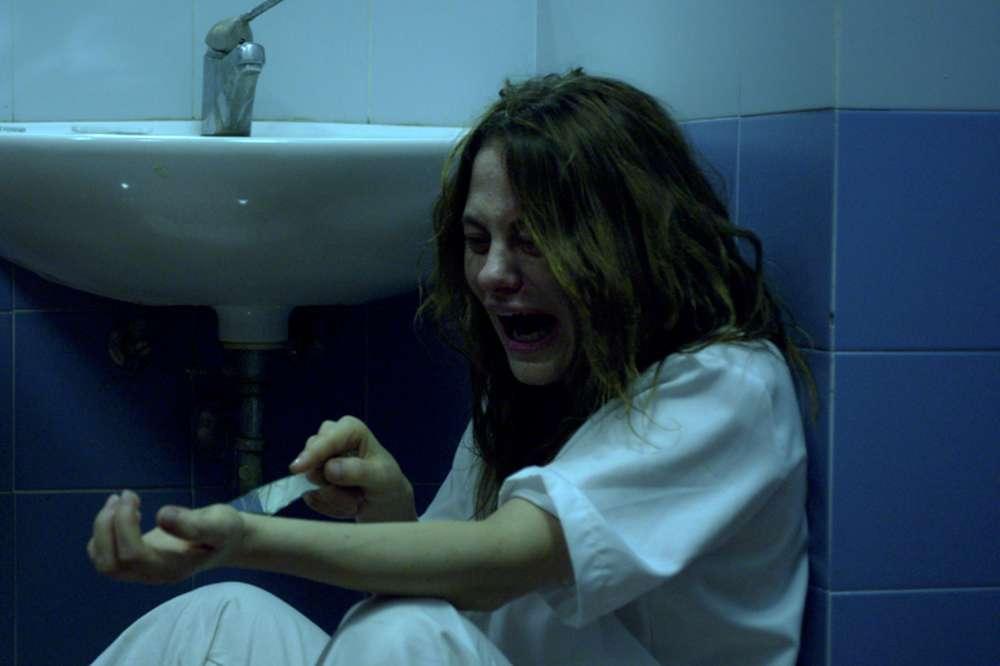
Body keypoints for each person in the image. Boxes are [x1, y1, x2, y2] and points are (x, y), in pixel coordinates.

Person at [87, 69, 817, 665]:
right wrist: (392, 511)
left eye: (532, 240)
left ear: (627, 244)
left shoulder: (727, 390)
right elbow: (455, 587)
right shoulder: (540, 389)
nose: (494, 274)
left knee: (398, 635)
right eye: (477, 240)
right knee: (217, 620)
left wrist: (245, 539)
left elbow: (499, 561)